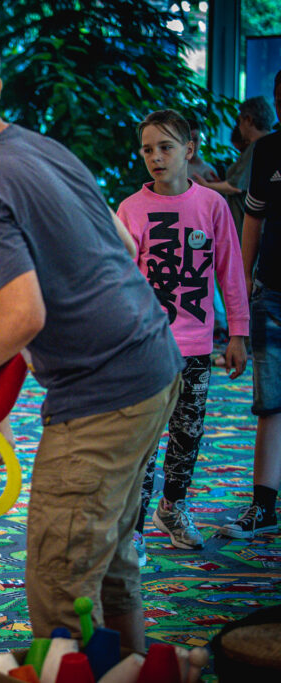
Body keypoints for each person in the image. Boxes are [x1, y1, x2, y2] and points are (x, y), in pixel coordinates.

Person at [0, 28, 182, 651]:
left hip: (102, 393)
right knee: (109, 562)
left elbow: (21, 316)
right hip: (156, 364)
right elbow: (126, 245)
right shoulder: (41, 147)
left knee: (60, 585)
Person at [117, 110, 248, 559]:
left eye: (166, 147)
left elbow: (231, 272)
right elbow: (123, 280)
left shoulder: (210, 205)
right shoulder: (131, 209)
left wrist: (238, 333)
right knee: (146, 439)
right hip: (147, 349)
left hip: (196, 344)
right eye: (148, 149)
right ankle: (134, 525)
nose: (156, 157)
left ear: (189, 150)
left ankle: (173, 507)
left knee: (188, 432)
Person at [224, 69, 281, 539]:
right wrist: (242, 280)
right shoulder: (268, 150)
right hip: (273, 291)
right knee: (271, 402)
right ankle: (264, 505)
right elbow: (254, 220)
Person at [186, 117, 219, 182]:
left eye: (195, 140)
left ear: (200, 141)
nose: (191, 145)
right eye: (187, 140)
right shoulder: (172, 167)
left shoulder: (208, 171)